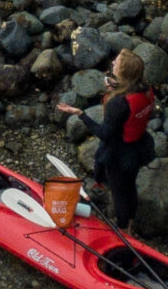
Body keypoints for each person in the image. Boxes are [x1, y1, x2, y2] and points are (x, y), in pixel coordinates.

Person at [56, 50, 156, 231]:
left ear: (124, 73)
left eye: (116, 63)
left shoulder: (118, 104)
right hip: (139, 147)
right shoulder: (145, 88)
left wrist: (81, 114)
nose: (113, 62)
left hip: (120, 155)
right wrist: (114, 85)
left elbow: (105, 134)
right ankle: (130, 222)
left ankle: (123, 229)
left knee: (119, 194)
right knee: (130, 186)